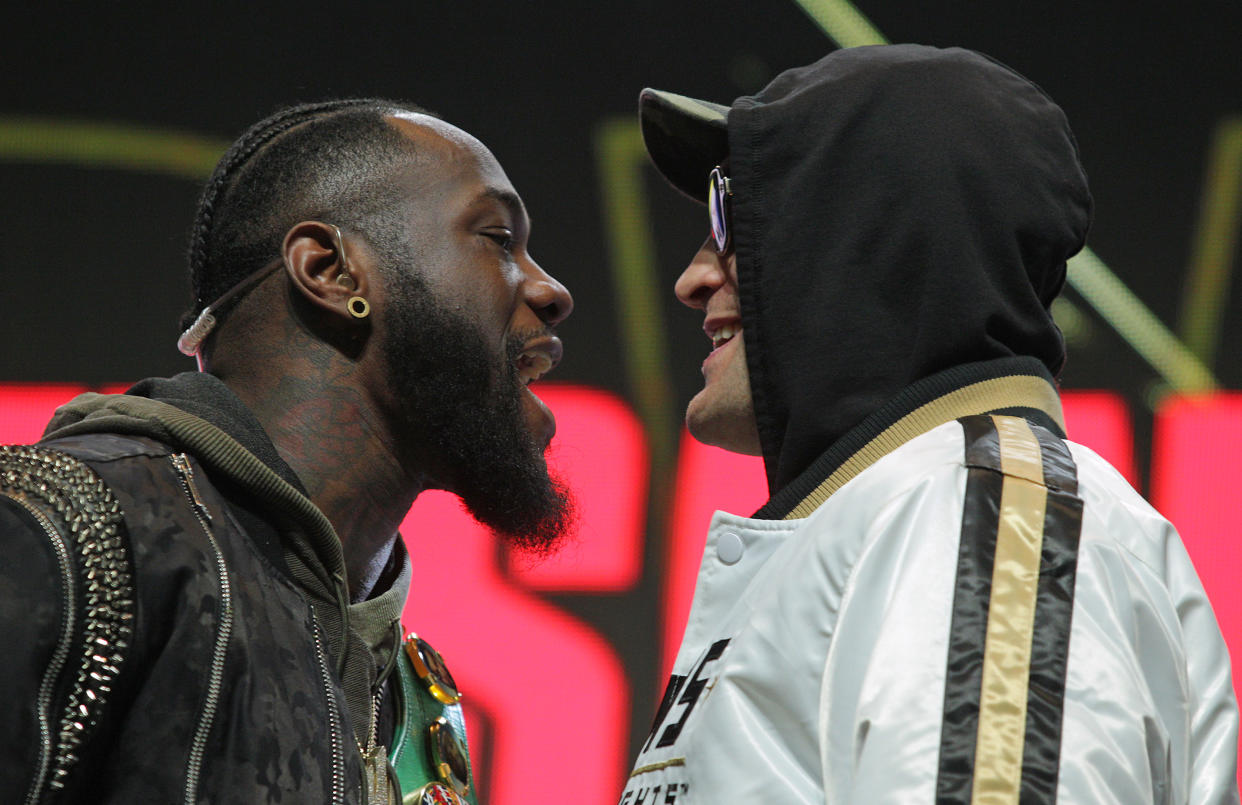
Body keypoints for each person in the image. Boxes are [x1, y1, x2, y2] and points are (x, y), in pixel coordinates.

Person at [623, 44, 1239, 804]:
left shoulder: (977, 519)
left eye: (735, 211)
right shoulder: (926, 515)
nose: (693, 278)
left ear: (867, 229)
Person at [0, 98, 573, 804]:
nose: (551, 291)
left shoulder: (413, 702)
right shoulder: (64, 530)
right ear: (332, 271)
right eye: (497, 237)